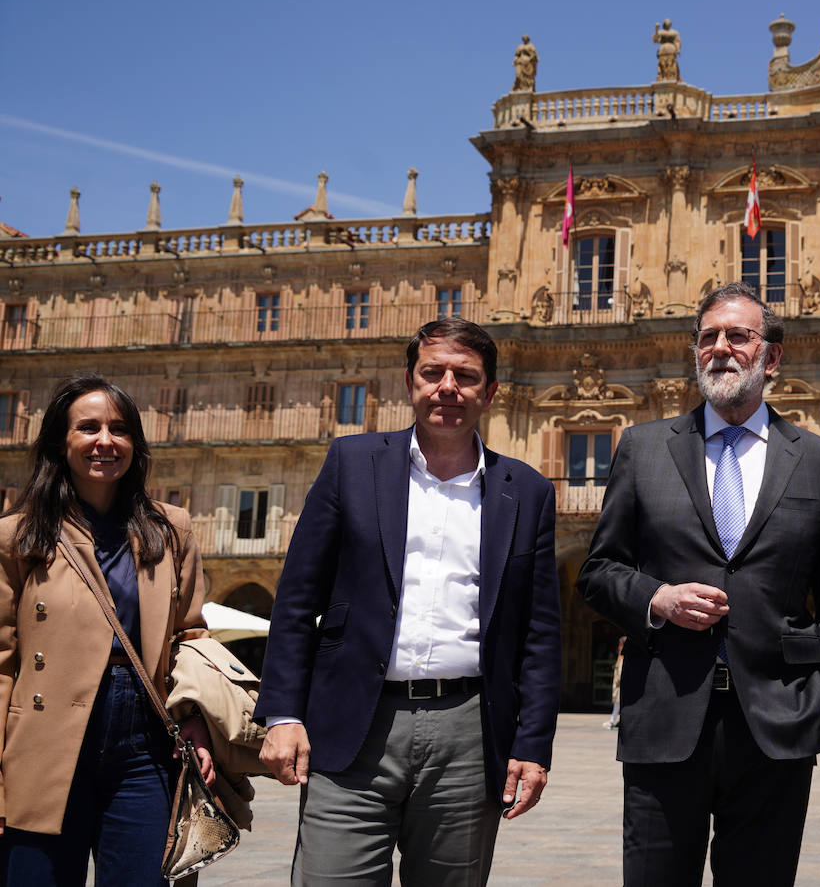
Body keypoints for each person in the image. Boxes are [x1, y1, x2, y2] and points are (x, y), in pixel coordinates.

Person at [254, 317, 562, 886]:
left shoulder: (528, 492)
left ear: (490, 392)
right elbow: (297, 600)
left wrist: (534, 746)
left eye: (466, 376)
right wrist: (283, 713)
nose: (448, 386)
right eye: (433, 372)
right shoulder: (351, 463)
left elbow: (539, 635)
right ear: (410, 382)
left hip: (469, 733)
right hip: (352, 724)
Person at [578, 281, 820, 886]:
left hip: (776, 727)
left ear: (772, 357)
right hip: (665, 717)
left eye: (738, 335)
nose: (721, 348)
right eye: (708, 338)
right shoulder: (643, 448)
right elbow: (599, 572)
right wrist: (656, 598)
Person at [0, 374, 214, 886]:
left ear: (134, 444)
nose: (105, 441)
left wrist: (197, 719)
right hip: (42, 740)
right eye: (88, 427)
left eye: (119, 429)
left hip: (146, 740)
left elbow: (190, 638)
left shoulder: (170, 529)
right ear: (61, 441)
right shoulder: (19, 535)